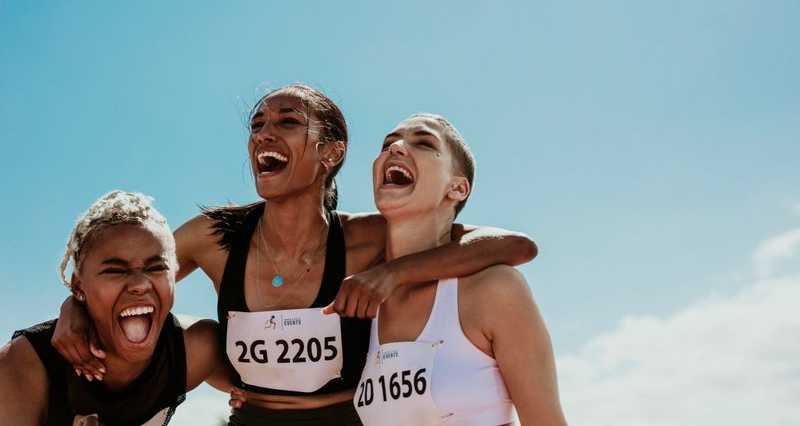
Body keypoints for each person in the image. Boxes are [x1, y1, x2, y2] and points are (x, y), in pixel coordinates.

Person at [52, 86, 537, 425]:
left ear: (331, 153)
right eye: (257, 124)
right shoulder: (213, 235)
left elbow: (511, 246)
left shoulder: (369, 236)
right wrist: (71, 307)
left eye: (287, 122)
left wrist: (390, 274)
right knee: (196, 334)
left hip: (351, 420)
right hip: (250, 422)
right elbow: (132, 283)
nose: (264, 134)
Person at [354, 114, 567, 425]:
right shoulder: (359, 301)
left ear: (457, 188)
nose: (395, 148)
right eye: (387, 143)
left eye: (424, 143)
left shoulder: (494, 289)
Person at [0, 191, 230, 426]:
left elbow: (262, 392)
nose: (140, 284)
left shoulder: (195, 348)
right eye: (115, 271)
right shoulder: (20, 369)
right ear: (79, 286)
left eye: (156, 267)